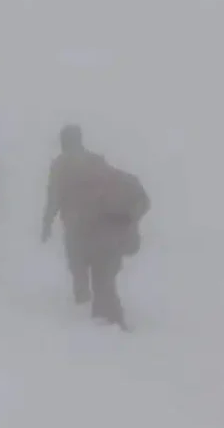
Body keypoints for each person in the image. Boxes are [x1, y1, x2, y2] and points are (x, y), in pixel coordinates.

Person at [41, 124, 149, 329]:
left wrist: (47, 222)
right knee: (104, 271)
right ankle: (103, 316)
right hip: (106, 225)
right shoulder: (96, 160)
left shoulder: (61, 164)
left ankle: (94, 311)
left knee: (80, 265)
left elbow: (54, 196)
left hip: (79, 225)